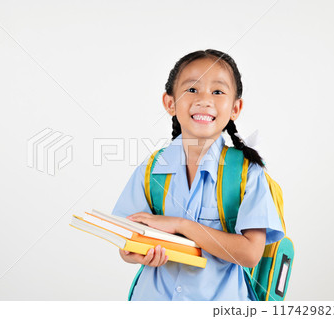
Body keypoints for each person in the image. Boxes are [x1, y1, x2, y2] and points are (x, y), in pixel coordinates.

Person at [111, 49, 285, 301]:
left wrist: (181, 225)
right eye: (192, 89)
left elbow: (250, 253)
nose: (204, 100)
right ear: (170, 103)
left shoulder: (247, 172)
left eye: (217, 91)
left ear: (235, 107)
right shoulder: (152, 168)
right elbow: (127, 240)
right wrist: (133, 253)